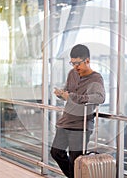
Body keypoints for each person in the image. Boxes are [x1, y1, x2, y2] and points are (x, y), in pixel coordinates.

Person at [50, 44, 106, 178]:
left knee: (76, 162)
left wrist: (74, 97)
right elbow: (69, 92)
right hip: (65, 121)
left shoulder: (96, 78)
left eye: (77, 64)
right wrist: (62, 94)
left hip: (81, 126)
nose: (75, 67)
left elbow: (100, 98)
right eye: (72, 63)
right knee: (56, 152)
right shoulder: (72, 73)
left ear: (87, 61)